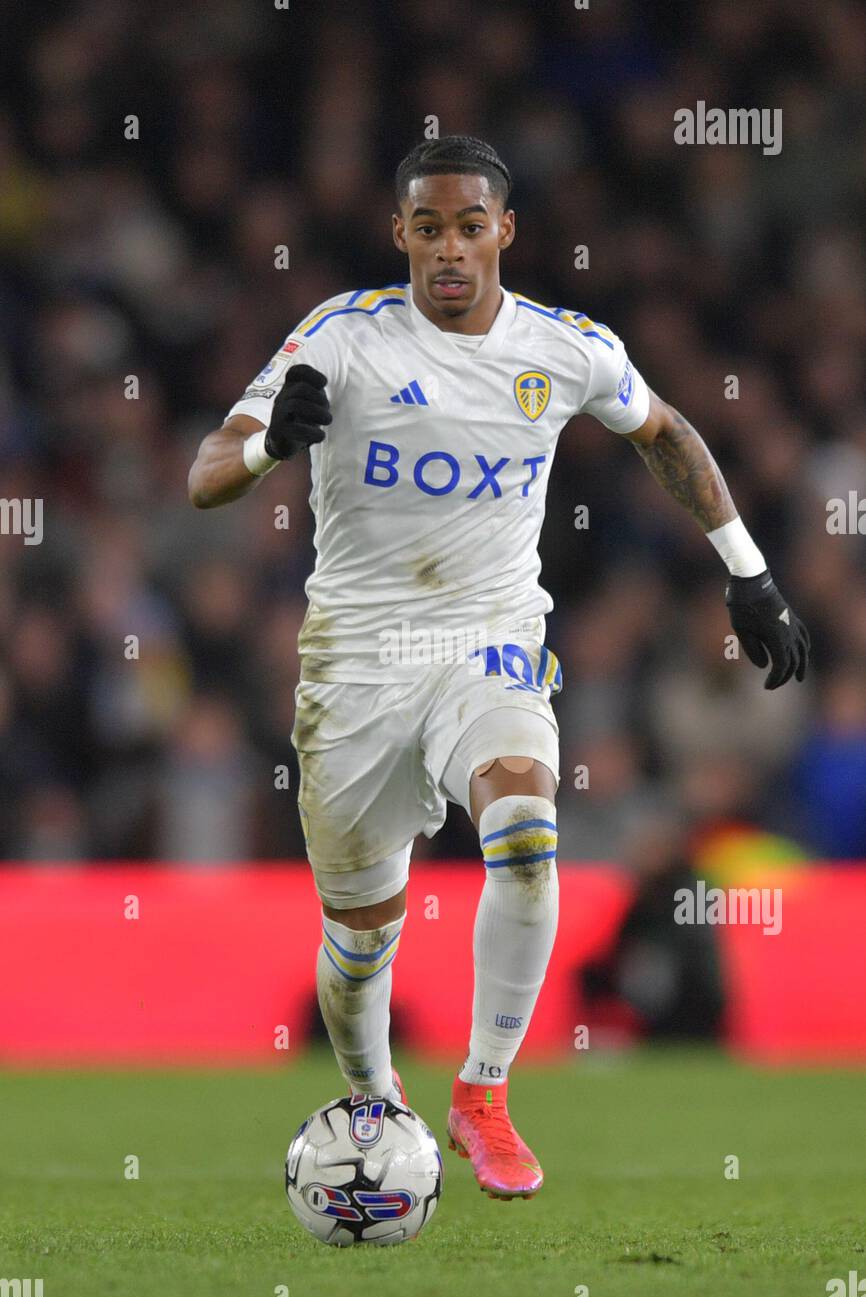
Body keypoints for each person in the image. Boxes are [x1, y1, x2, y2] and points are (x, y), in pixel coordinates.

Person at [188, 135, 809, 1200]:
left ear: (502, 233)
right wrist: (264, 448)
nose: (448, 248)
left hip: (490, 641)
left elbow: (664, 432)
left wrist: (746, 572)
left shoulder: (562, 348)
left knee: (523, 832)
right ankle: (375, 1104)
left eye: (469, 226)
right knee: (357, 939)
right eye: (427, 227)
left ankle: (481, 1088)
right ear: (400, 234)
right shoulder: (338, 336)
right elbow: (206, 472)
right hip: (356, 663)